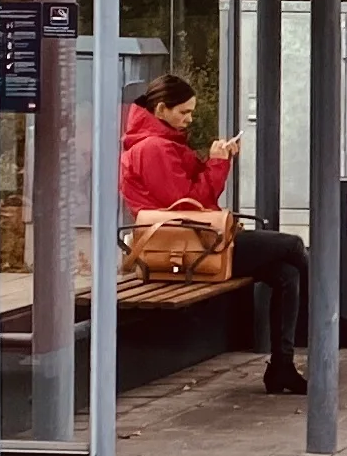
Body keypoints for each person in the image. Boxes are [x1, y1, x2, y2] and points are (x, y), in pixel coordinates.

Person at [119, 73, 311, 395]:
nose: (189, 118)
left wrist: (214, 158)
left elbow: (191, 193)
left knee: (287, 273)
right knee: (292, 245)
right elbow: (188, 206)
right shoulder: (152, 148)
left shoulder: (164, 143)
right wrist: (218, 164)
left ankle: (282, 366)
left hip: (195, 243)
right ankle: (330, 324)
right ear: (162, 109)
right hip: (185, 249)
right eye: (184, 112)